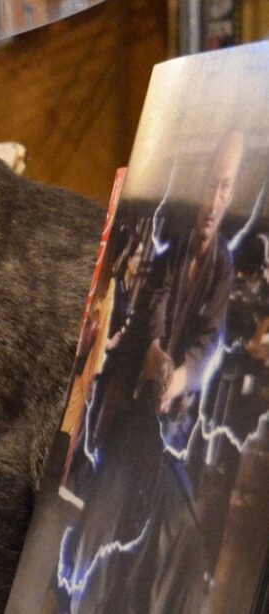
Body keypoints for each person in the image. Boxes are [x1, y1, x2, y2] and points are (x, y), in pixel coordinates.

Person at [61, 132, 243, 613]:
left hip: (170, 429)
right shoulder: (174, 249)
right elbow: (154, 311)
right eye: (211, 186)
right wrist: (158, 359)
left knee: (157, 544)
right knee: (102, 518)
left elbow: (207, 340)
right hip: (134, 413)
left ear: (230, 194)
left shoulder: (222, 267)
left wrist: (180, 378)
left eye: (225, 189)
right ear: (201, 186)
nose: (214, 200)